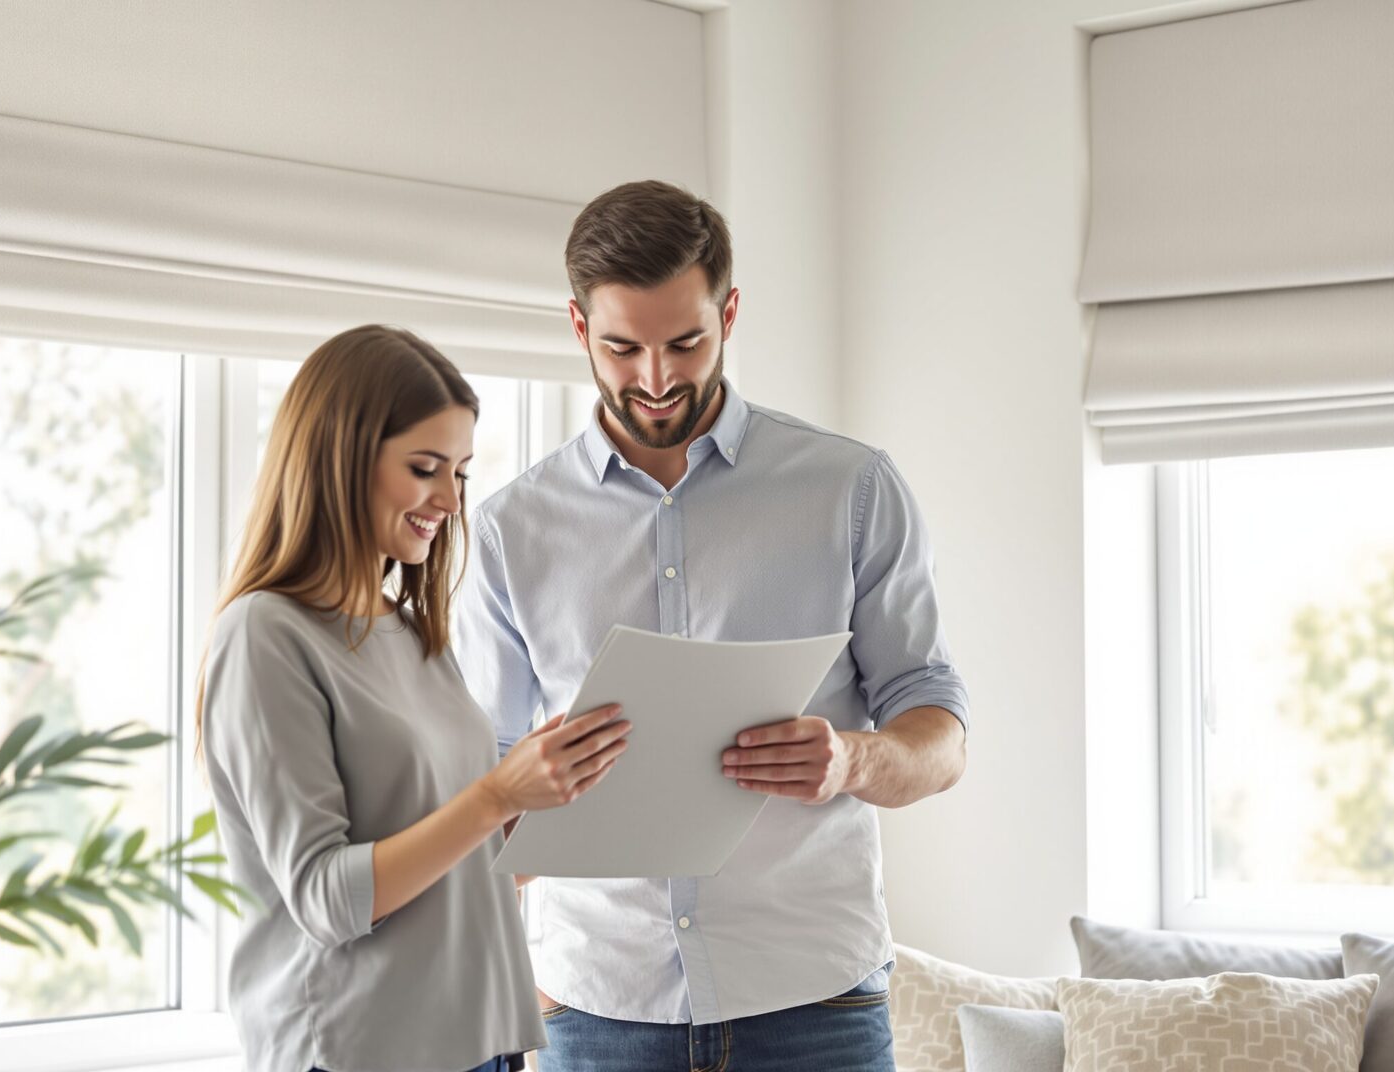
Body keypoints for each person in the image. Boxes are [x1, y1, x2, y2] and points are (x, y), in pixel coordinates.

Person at [456, 182, 970, 1071]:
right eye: (622, 347)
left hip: (816, 1004)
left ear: (728, 313)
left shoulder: (849, 490)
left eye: (685, 342)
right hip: (598, 1010)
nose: (655, 379)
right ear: (579, 330)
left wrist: (851, 759)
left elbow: (940, 736)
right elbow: (480, 812)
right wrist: (520, 795)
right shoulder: (509, 532)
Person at [197, 325, 630, 1072]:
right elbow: (328, 900)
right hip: (359, 1051)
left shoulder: (407, 630)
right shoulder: (266, 636)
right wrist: (497, 795)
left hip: (479, 1044)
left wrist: (560, 806)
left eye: (460, 473)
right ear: (339, 460)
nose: (451, 502)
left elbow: (448, 860)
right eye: (426, 468)